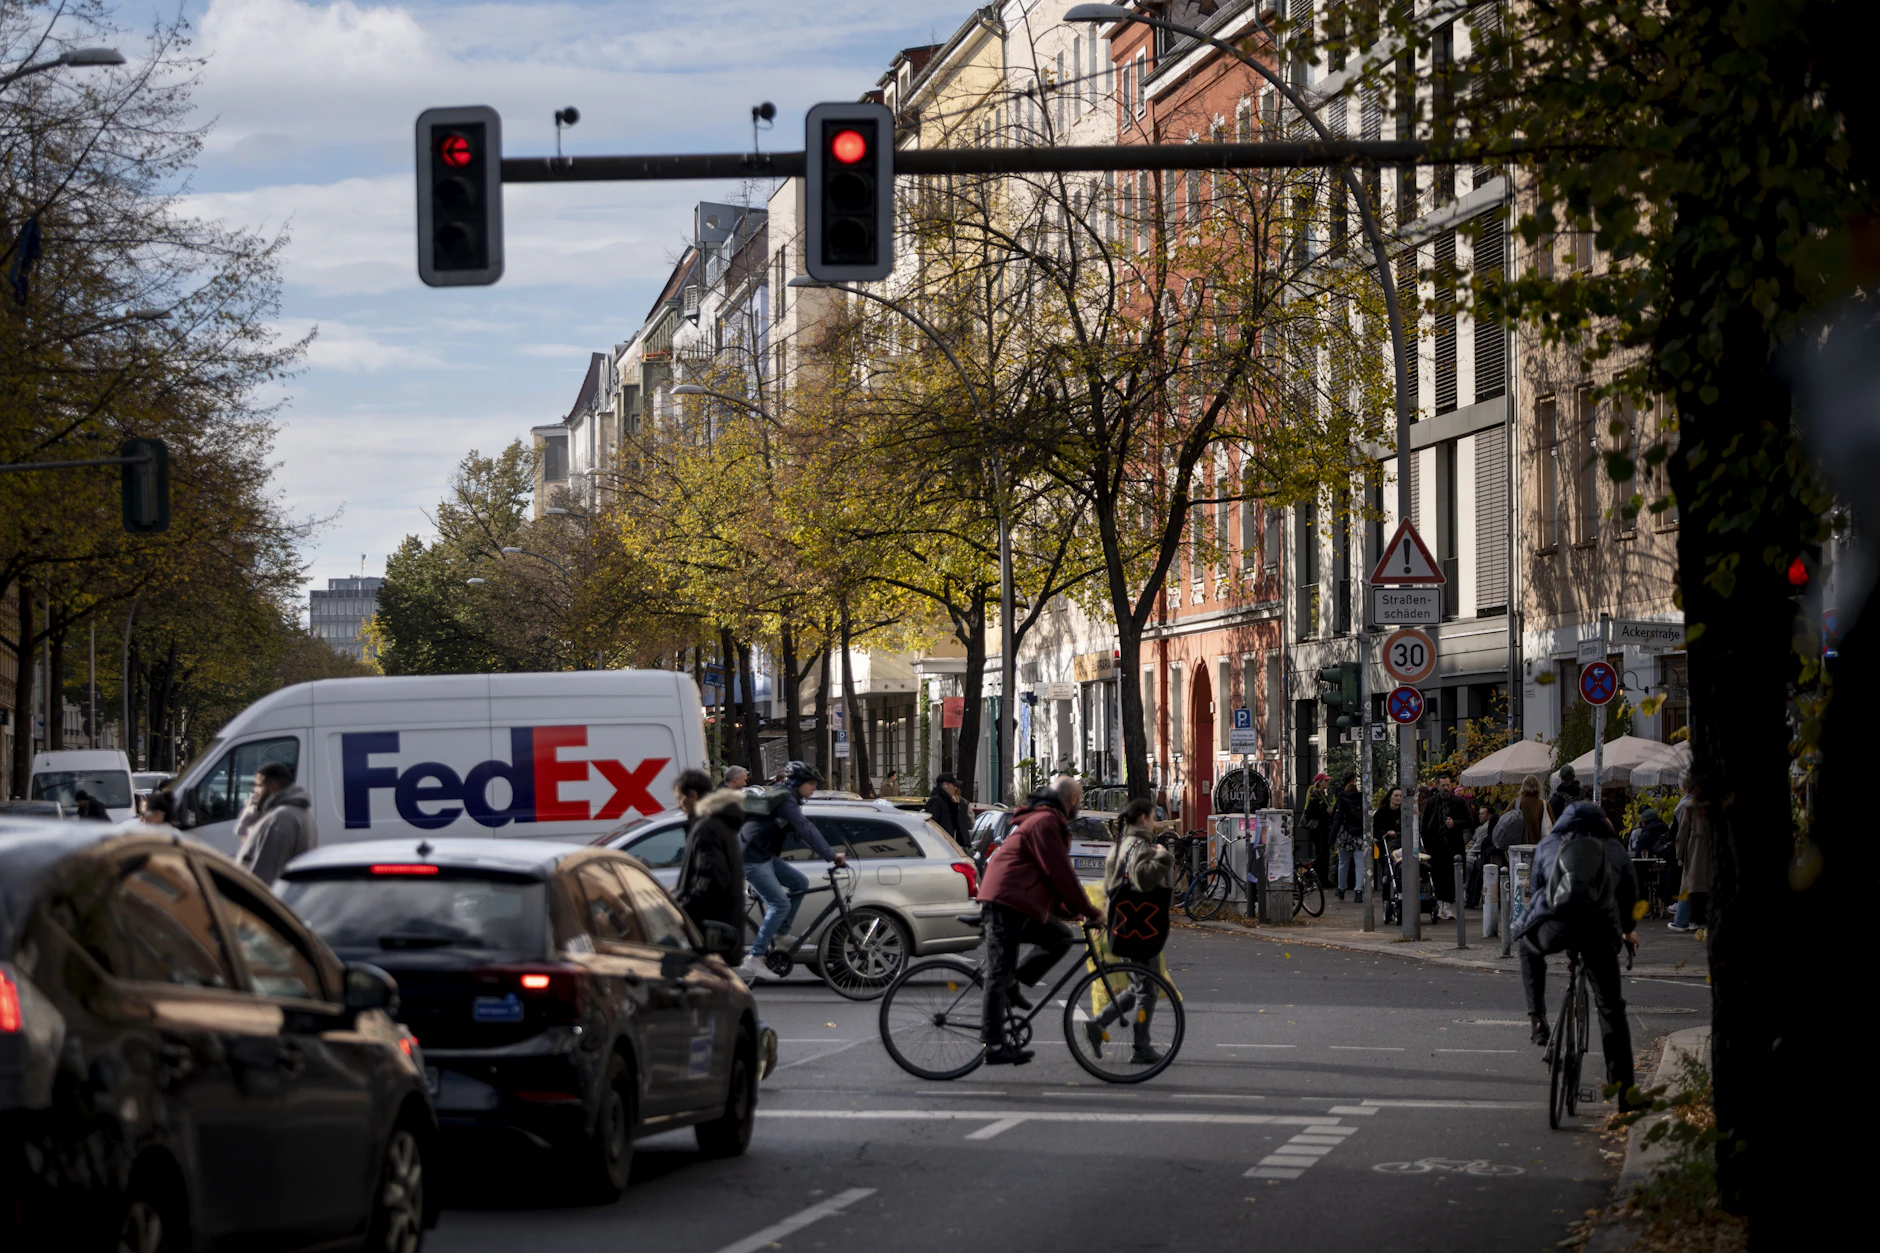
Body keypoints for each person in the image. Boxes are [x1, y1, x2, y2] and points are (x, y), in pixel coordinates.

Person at [1513, 800, 1642, 1107]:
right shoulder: (1615, 850)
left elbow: (1537, 893)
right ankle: (1624, 1094)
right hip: (1599, 931)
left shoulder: (1548, 844)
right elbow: (1630, 899)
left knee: (1528, 948)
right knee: (1611, 1009)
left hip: (1557, 927)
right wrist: (1626, 929)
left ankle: (1537, 1019)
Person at [976, 775, 1104, 1066]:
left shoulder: (1046, 820)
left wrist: (1074, 911)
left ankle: (1015, 982)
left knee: (1058, 937)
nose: (1080, 805)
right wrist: (1091, 910)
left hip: (1018, 900)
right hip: (1005, 902)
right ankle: (994, 1045)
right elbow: (1061, 873)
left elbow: (1049, 877)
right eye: (1081, 799)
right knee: (998, 972)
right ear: (1072, 799)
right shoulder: (1046, 822)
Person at [1083, 798, 1176, 1063]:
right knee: (1148, 989)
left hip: (1123, 925)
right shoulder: (1139, 845)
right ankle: (1141, 1046)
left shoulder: (1121, 843)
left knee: (1139, 985)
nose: (1155, 821)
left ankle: (1098, 1024)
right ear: (1144, 818)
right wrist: (1163, 857)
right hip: (1141, 927)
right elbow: (1143, 879)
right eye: (1153, 816)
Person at [737, 760, 846, 980]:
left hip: (763, 855)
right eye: (812, 783)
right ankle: (754, 958)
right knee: (780, 903)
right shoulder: (786, 798)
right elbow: (805, 828)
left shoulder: (786, 796)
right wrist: (831, 855)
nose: (814, 787)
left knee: (800, 883)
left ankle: (781, 933)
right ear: (798, 783)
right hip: (752, 858)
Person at [671, 768, 746, 962]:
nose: (679, 805)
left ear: (693, 795)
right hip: (718, 933)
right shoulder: (719, 824)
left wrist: (681, 907)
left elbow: (711, 879)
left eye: (680, 798)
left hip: (707, 935)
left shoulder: (707, 828)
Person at [234, 761, 316, 886]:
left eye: (258, 786)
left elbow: (263, 877)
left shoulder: (280, 819)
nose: (255, 792)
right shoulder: (298, 813)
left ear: (273, 787)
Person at [1419, 769, 1474, 921]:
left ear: (1451, 786)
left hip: (1453, 847)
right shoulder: (1431, 803)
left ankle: (1448, 907)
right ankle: (1439, 905)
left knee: (1451, 877)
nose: (1445, 788)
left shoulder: (1459, 802)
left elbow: (1469, 822)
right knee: (1437, 877)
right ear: (1437, 786)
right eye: (1442, 785)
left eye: (1448, 785)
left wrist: (1454, 824)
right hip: (1435, 847)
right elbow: (1424, 824)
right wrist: (1426, 843)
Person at [1670, 772, 1711, 932]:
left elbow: (1682, 833)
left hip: (1694, 850)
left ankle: (1681, 921)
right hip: (1710, 850)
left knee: (1688, 886)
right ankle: (1702, 920)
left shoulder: (1689, 806)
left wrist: (1679, 855)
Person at [1332, 770, 1367, 903]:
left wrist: (1333, 836)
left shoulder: (1342, 797)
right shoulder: (1361, 797)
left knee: (1343, 863)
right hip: (1358, 834)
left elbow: (1338, 817)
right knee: (1360, 864)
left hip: (1345, 834)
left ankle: (1341, 889)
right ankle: (1358, 890)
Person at [1372, 786, 1403, 913]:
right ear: (1390, 797)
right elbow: (1377, 831)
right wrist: (1386, 833)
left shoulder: (1404, 812)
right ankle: (1386, 899)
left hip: (1401, 843)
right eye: (1396, 795)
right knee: (1387, 873)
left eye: (1400, 796)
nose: (1398, 798)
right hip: (1386, 846)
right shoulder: (1381, 813)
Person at [1298, 774, 1333, 885]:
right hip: (1318, 829)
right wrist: (1326, 812)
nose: (1328, 783)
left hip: (1323, 828)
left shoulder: (1321, 794)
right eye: (1326, 781)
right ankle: (1308, 875)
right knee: (1322, 854)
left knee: (1324, 854)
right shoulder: (1315, 794)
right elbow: (1311, 813)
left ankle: (1322, 878)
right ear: (1320, 782)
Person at [923, 772, 971, 847]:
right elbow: (932, 825)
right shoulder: (936, 801)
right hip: (940, 844)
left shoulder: (949, 801)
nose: (956, 788)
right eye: (954, 785)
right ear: (945, 785)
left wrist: (955, 805)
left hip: (948, 844)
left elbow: (958, 823)